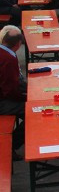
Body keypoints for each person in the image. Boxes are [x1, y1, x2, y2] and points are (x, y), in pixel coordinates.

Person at [0, 26, 26, 156]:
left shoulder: (3, 53)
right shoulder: (8, 58)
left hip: (4, 96)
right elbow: (9, 89)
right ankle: (10, 146)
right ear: (18, 44)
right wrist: (25, 97)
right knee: (33, 113)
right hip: (3, 102)